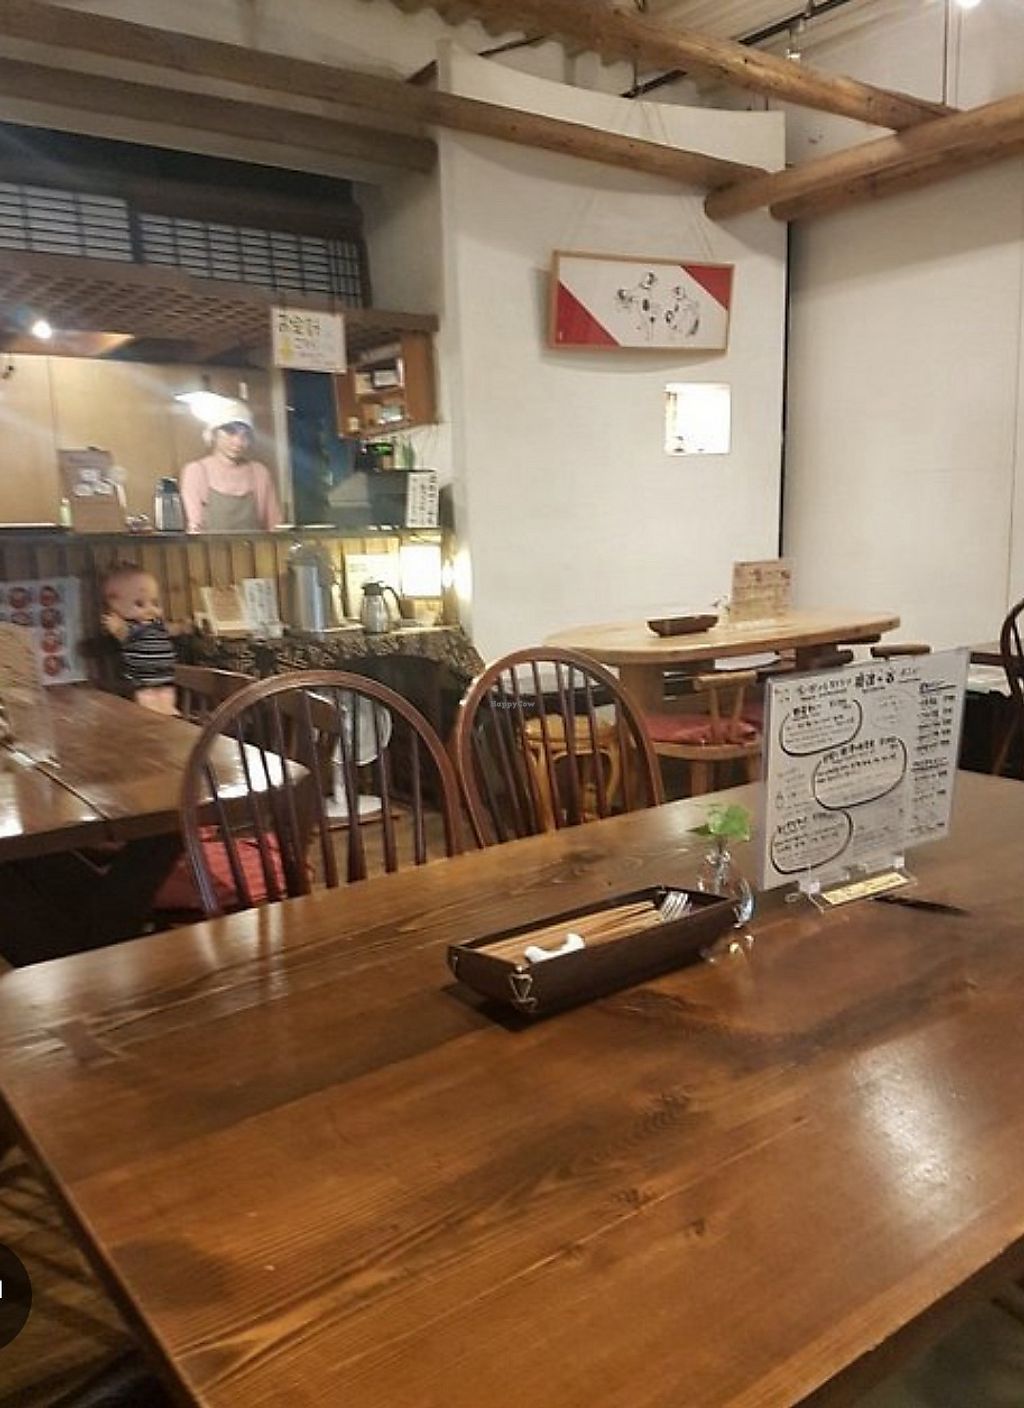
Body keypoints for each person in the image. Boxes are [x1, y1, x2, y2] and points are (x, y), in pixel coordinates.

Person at [180, 400, 282, 532]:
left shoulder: (259, 472)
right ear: (214, 433)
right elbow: (195, 529)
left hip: (255, 545)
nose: (238, 442)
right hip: (210, 546)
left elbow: (275, 526)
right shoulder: (197, 471)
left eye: (245, 435)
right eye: (230, 432)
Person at [101, 563, 183, 715]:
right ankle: (157, 716)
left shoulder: (157, 624)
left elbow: (170, 630)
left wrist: (183, 627)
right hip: (142, 680)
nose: (151, 609)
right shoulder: (130, 628)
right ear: (116, 606)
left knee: (167, 698)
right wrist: (116, 626)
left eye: (155, 603)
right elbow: (121, 634)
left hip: (165, 677)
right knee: (148, 704)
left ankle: (169, 713)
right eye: (140, 604)